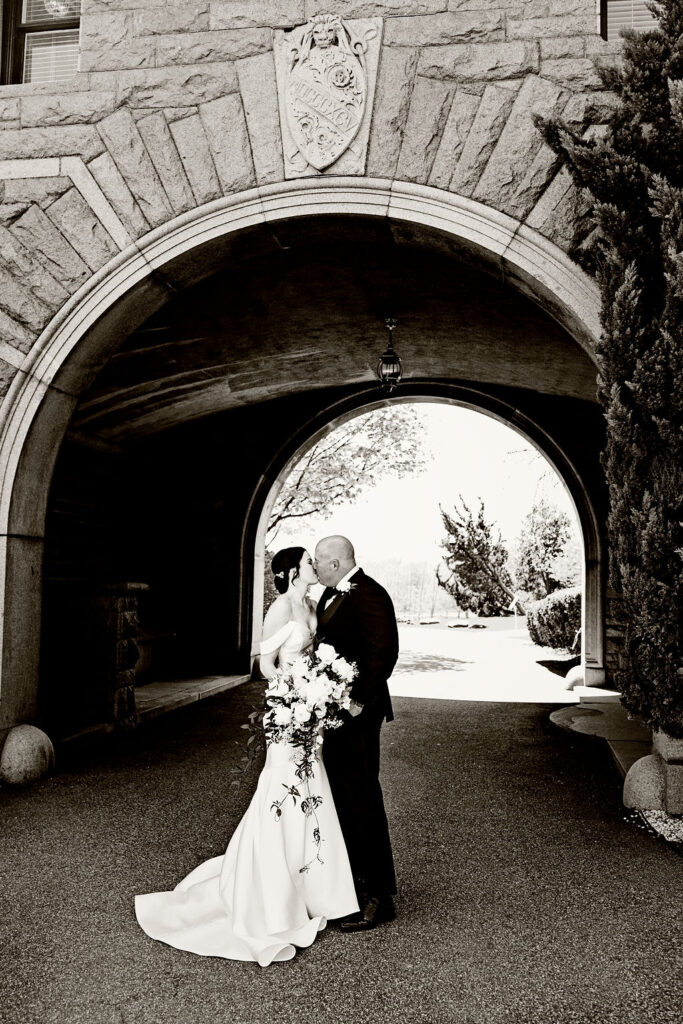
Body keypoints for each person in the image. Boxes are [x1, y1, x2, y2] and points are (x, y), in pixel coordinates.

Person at [134, 547, 359, 967]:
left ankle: (315, 890)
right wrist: (299, 691)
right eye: (309, 561)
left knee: (313, 790)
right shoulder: (279, 611)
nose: (314, 566)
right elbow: (267, 664)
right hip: (290, 710)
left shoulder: (312, 603)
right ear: (293, 571)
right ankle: (269, 895)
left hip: (311, 713)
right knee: (280, 791)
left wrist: (320, 690)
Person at [314, 535, 399, 931]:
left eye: (318, 561)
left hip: (357, 718)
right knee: (343, 801)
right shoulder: (328, 596)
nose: (313, 568)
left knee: (362, 798)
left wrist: (358, 701)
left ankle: (381, 898)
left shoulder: (370, 594)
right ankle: (353, 885)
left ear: (335, 563)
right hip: (332, 716)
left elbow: (383, 652)